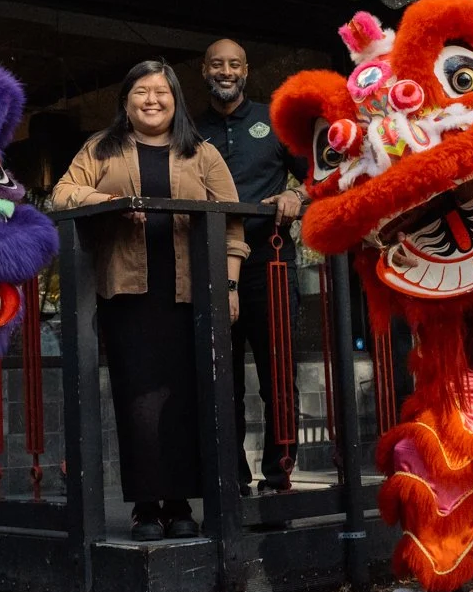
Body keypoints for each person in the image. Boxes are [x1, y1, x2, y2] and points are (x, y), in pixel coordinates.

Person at [53, 60, 248, 541]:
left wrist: (229, 286)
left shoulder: (200, 153)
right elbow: (62, 194)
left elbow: (233, 224)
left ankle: (181, 503)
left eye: (161, 92)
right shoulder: (102, 148)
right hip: (128, 295)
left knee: (184, 398)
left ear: (175, 100)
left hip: (190, 296)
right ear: (126, 100)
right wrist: (106, 202)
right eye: (141, 91)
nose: (152, 100)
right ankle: (145, 507)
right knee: (137, 400)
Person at [196, 38, 307, 494]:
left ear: (246, 70)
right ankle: (233, 480)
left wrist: (296, 195)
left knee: (278, 377)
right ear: (205, 70)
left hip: (271, 265)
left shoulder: (273, 121)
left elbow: (321, 177)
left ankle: (279, 478)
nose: (226, 71)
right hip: (209, 267)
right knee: (223, 381)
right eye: (217, 64)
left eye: (234, 64)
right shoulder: (188, 129)